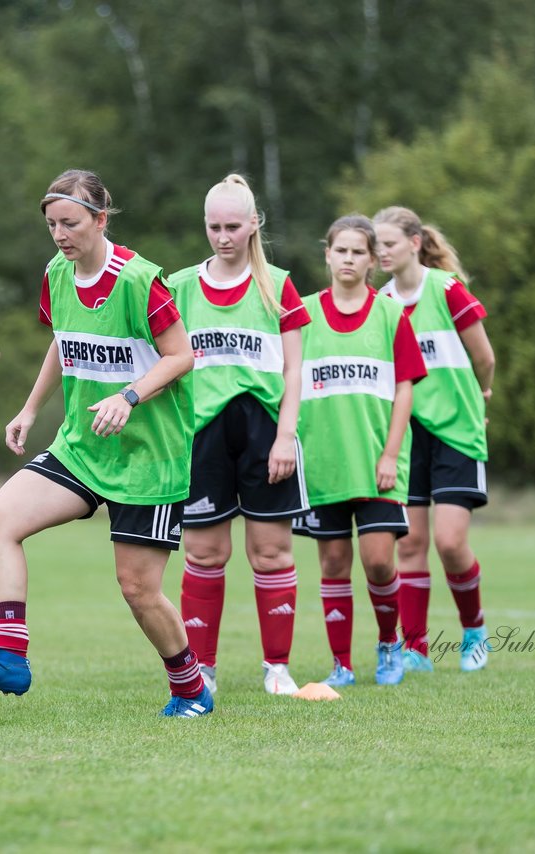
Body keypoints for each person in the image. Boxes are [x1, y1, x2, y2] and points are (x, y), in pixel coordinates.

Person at [0, 169, 213, 717]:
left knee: (138, 589)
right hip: (84, 447)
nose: (61, 235)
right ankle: (9, 657)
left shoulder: (141, 280)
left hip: (149, 458)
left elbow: (182, 355)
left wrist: (129, 397)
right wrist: (29, 408)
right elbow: (62, 343)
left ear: (100, 219)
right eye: (51, 225)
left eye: (70, 223)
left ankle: (190, 689)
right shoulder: (56, 274)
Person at [170, 174, 311, 696]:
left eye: (233, 226)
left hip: (265, 432)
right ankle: (201, 669)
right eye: (214, 227)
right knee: (204, 554)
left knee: (271, 552)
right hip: (202, 433)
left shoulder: (277, 282)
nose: (223, 236)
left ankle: (277, 667)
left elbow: (295, 370)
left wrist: (285, 435)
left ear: (254, 224)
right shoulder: (180, 285)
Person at [293, 215, 426, 687]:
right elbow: (286, 384)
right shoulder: (303, 314)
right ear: (327, 254)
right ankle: (341, 664)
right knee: (332, 564)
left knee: (378, 561)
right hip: (323, 463)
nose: (348, 259)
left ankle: (390, 643)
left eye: (358, 252)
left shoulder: (390, 313)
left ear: (373, 260)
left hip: (377, 464)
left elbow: (406, 389)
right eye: (340, 250)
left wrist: (391, 454)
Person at [374, 206, 495, 673]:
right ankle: (416, 647)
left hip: (457, 432)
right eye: (376, 244)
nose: (381, 251)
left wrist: (479, 396)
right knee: (411, 544)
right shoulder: (381, 302)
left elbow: (484, 357)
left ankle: (474, 630)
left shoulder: (446, 290)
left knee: (449, 542)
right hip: (406, 436)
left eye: (388, 243)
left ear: (414, 242)